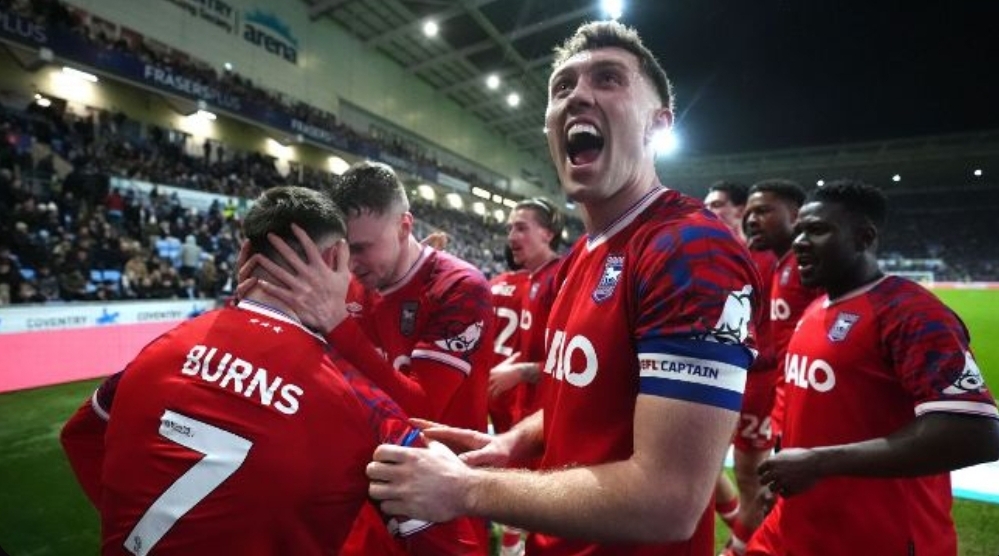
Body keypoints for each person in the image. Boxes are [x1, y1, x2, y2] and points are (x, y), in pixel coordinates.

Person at [364, 20, 762, 556]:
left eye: (608, 79)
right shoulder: (583, 255)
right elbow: (579, 403)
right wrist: (512, 442)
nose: (578, 95)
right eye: (563, 87)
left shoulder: (690, 250)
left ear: (658, 124)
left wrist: (467, 489)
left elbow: (670, 499)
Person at [59, 186, 479, 555]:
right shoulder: (363, 404)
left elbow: (81, 434)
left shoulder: (153, 354)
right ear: (338, 258)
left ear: (244, 255)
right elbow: (446, 543)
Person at [240, 161, 493, 555]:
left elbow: (421, 409)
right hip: (363, 486)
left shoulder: (460, 287)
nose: (352, 262)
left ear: (404, 226)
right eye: (344, 247)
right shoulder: (346, 283)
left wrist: (337, 323)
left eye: (361, 248)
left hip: (440, 497)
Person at [746, 180, 999, 556]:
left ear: (864, 237)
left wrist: (819, 463)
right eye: (799, 231)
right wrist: (782, 474)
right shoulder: (815, 310)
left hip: (881, 538)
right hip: (798, 527)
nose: (799, 242)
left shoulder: (910, 314)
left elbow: (977, 433)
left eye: (817, 230)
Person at [704, 181, 780, 555]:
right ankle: (740, 527)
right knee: (700, 464)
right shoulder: (709, 256)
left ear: (740, 210)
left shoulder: (767, 259)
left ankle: (741, 547)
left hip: (758, 382)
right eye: (707, 205)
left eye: (718, 205)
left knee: (751, 476)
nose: (710, 211)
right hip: (715, 376)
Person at [487, 197, 565, 556]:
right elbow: (533, 348)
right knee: (520, 483)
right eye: (509, 229)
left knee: (544, 499)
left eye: (521, 227)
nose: (511, 236)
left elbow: (571, 362)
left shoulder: (560, 278)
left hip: (550, 411)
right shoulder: (534, 279)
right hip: (526, 404)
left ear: (548, 233)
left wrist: (520, 371)